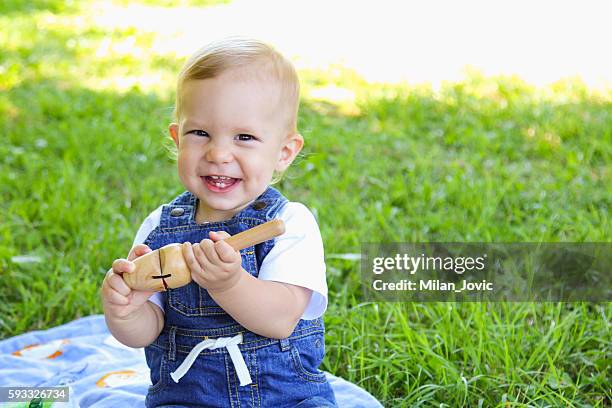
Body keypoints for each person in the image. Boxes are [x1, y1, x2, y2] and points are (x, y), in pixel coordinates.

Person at [101, 37, 337, 407]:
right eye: (200, 133)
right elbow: (148, 331)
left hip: (285, 397)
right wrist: (125, 310)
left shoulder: (289, 224)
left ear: (284, 152)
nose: (219, 153)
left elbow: (281, 319)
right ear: (178, 138)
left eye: (244, 137)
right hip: (186, 397)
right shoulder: (159, 229)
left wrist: (230, 283)